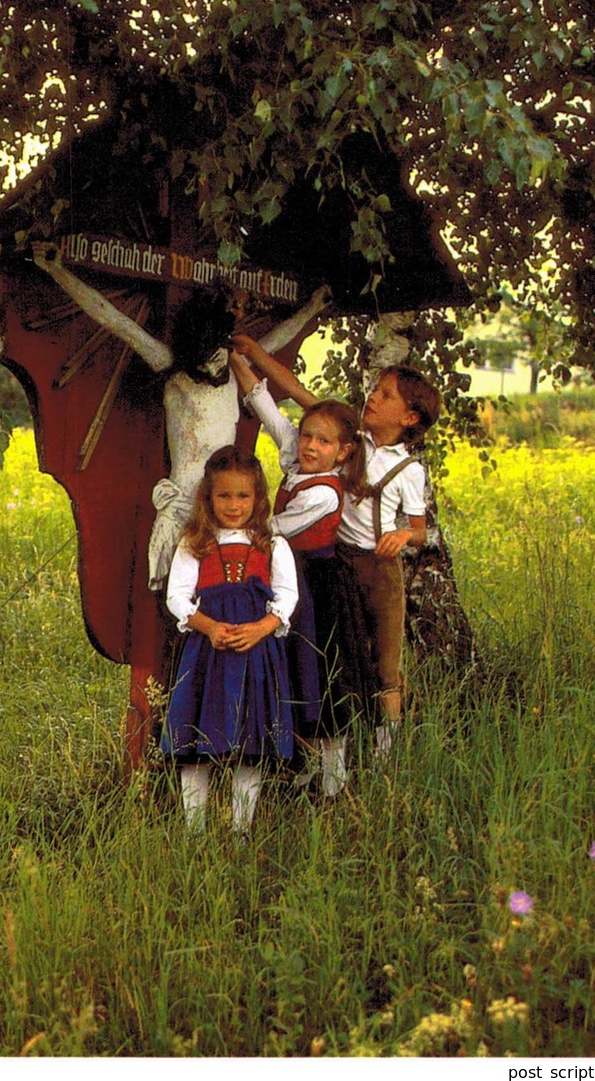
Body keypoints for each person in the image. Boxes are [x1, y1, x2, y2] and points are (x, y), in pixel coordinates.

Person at [32, 242, 331, 589]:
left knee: (229, 595)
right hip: (185, 509)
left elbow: (273, 342)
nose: (220, 358)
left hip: (230, 508)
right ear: (194, 347)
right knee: (180, 599)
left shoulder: (232, 369)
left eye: (222, 349)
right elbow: (114, 320)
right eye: (210, 351)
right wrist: (58, 271)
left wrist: (311, 308)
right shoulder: (171, 368)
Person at [232, 335, 440, 763]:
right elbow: (297, 395)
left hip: (381, 570)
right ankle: (335, 741)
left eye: (385, 395)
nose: (373, 398)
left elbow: (422, 531)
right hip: (338, 562)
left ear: (409, 416)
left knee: (386, 661)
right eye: (375, 390)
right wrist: (255, 356)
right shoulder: (349, 440)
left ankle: (386, 752)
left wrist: (403, 536)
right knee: (344, 652)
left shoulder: (410, 469)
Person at [229, 351, 357, 795]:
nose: (310, 446)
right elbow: (266, 407)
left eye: (323, 442)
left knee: (321, 669)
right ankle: (307, 764)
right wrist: (235, 359)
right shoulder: (296, 460)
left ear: (343, 452)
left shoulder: (322, 493)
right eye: (307, 436)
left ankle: (334, 775)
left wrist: (223, 525)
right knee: (295, 670)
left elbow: (273, 528)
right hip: (290, 577)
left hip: (317, 584)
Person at [161, 445, 299, 834]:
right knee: (195, 740)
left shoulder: (272, 545)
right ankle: (194, 830)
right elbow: (177, 596)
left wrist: (261, 628)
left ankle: (241, 830)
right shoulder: (195, 543)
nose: (234, 505)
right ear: (209, 497)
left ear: (257, 498)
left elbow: (288, 596)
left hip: (256, 654)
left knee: (251, 742)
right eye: (224, 495)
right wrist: (208, 627)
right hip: (207, 653)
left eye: (243, 496)